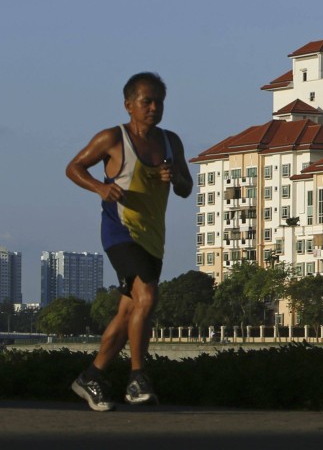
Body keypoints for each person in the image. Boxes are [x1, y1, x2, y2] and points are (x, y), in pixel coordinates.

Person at [65, 72, 192, 411]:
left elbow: (185, 188)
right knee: (147, 296)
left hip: (153, 238)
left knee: (129, 311)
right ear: (128, 105)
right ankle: (137, 377)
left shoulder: (170, 142)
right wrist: (101, 187)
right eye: (146, 101)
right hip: (119, 232)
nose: (153, 108)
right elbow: (74, 167)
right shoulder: (113, 138)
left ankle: (92, 375)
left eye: (159, 102)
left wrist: (175, 176)